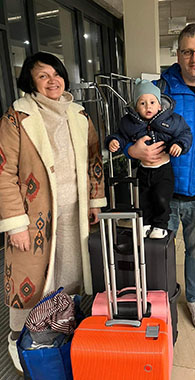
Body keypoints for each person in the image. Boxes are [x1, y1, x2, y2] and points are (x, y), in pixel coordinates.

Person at [0, 52, 107, 372]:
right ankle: (17, 336)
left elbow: (93, 162)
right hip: (32, 216)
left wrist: (94, 201)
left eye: (56, 74)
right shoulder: (16, 117)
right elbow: (3, 171)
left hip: (73, 211)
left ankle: (59, 324)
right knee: (29, 278)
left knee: (69, 273)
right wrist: (14, 224)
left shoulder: (78, 114)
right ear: (30, 82)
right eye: (42, 75)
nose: (52, 81)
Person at [125, 24, 195, 330]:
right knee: (159, 249)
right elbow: (126, 129)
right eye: (187, 51)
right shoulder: (159, 90)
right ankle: (160, 301)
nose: (194, 58)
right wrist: (132, 151)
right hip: (163, 189)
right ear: (178, 54)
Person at [105, 78, 192, 239]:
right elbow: (121, 135)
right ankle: (145, 223)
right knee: (143, 198)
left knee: (161, 198)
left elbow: (185, 133)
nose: (148, 106)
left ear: (159, 105)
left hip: (163, 170)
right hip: (144, 170)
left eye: (152, 102)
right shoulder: (129, 123)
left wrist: (179, 144)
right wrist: (114, 141)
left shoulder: (171, 121)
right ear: (136, 107)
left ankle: (160, 225)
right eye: (142, 103)